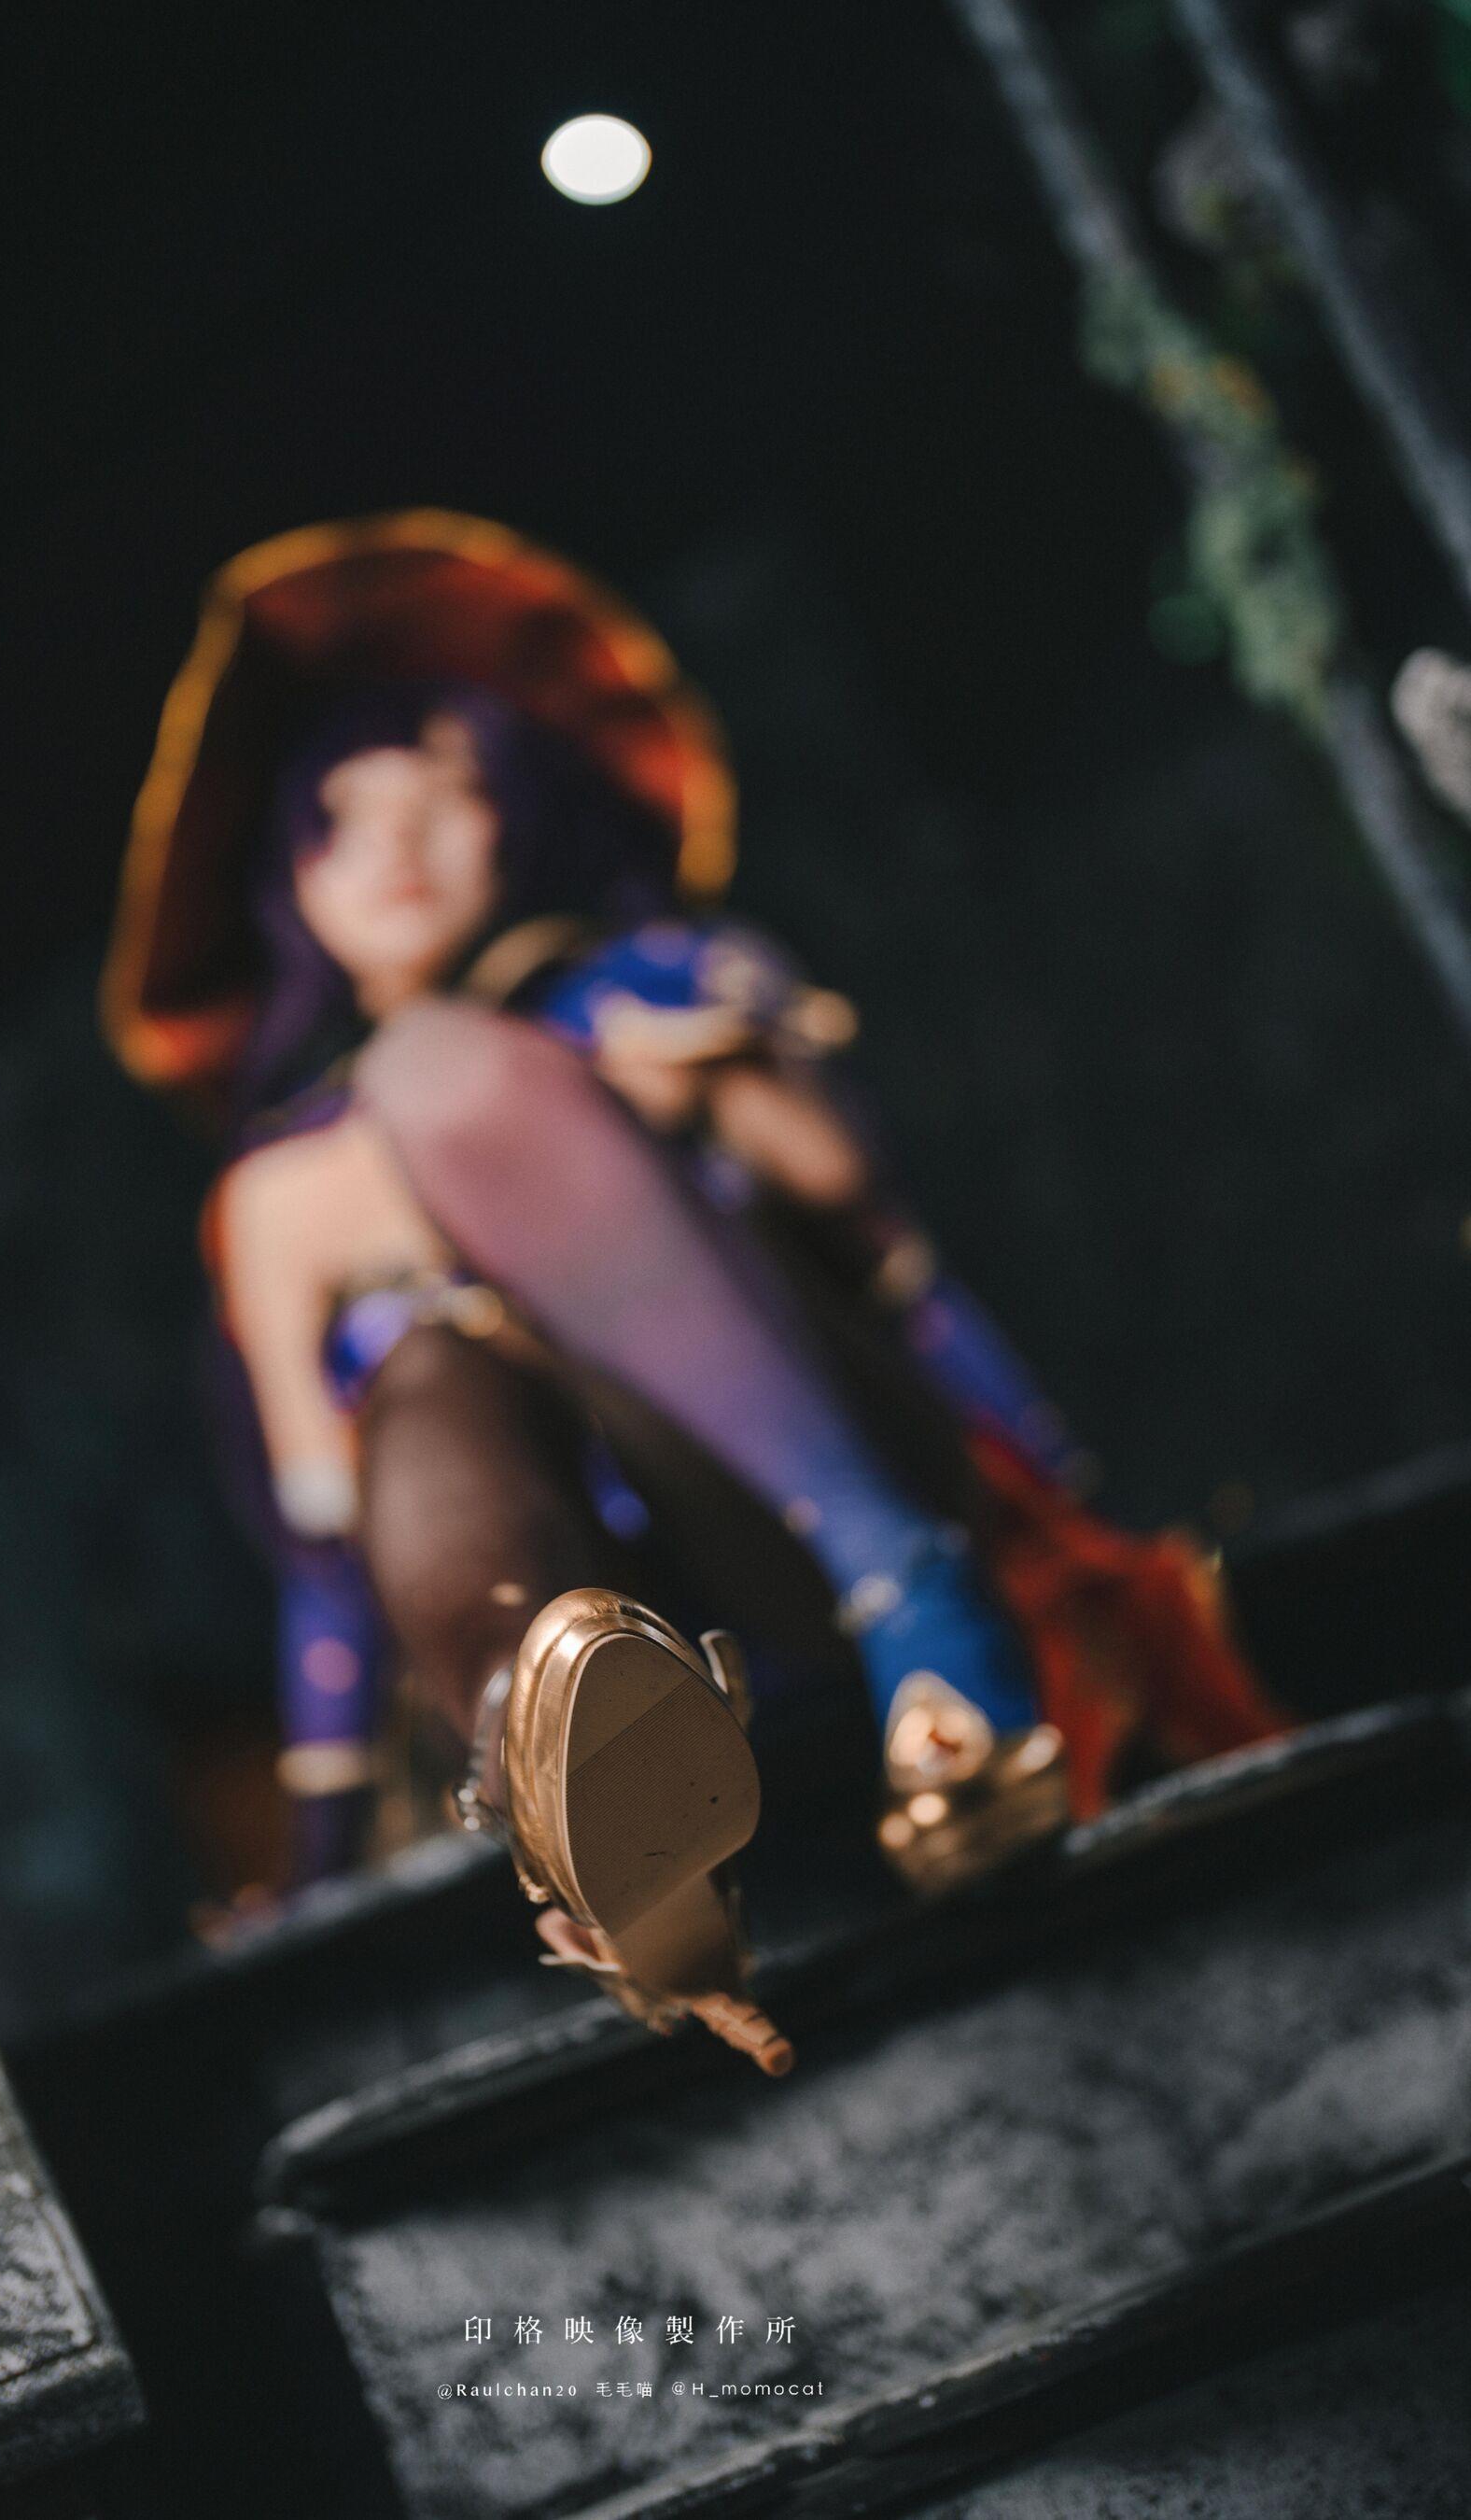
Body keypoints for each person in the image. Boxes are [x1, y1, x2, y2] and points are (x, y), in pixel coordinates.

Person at [105, 513, 1282, 2069]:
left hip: (793, 1528)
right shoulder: (277, 1189)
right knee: (429, 1377)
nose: (394, 847)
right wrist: (321, 1854)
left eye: (444, 795)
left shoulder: (658, 984)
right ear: (293, 883)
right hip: (564, 1589)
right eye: (341, 820)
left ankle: (912, 1600)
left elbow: (873, 1233)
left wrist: (689, 1100)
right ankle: (583, 1795)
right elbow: (330, 1538)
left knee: (441, 1076)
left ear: (517, 815)